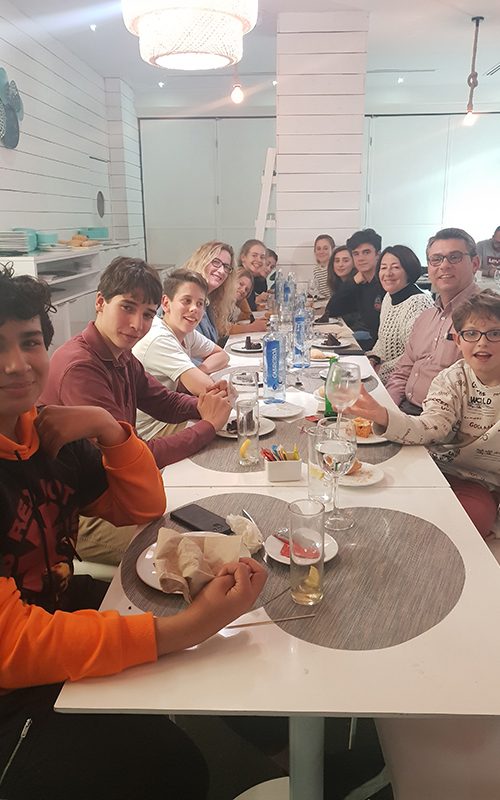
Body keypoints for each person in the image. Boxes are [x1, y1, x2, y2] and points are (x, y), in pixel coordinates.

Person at [0, 265, 268, 800]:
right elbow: (12, 646)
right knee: (176, 769)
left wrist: (108, 429)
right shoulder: (78, 372)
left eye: (29, 342)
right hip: (13, 689)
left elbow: (141, 506)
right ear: (101, 304)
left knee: (191, 635)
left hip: (56, 601)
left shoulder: (43, 435)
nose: (15, 364)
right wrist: (186, 630)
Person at [40, 257, 231, 565]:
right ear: (100, 302)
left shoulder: (121, 354)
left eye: (147, 314)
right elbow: (133, 456)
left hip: (118, 488)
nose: (136, 324)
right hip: (84, 513)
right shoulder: (80, 368)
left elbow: (164, 402)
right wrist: (208, 425)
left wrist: (207, 404)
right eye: (127, 307)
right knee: (184, 554)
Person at [346, 289, 500, 538]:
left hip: (481, 481)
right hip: (437, 465)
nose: (482, 342)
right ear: (458, 340)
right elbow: (432, 426)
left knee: (473, 517)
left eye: (494, 333)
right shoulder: (452, 379)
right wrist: (383, 415)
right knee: (385, 492)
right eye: (471, 333)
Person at [386, 227, 480, 414]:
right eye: (436, 259)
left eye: (454, 257)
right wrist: (387, 409)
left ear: (475, 264)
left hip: (449, 422)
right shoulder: (426, 317)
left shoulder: (489, 317)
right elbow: (402, 372)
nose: (444, 265)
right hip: (405, 411)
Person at [132, 269, 231, 441]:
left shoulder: (185, 330)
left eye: (200, 303)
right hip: (154, 430)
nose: (194, 309)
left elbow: (222, 355)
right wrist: (199, 379)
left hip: (174, 413)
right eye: (186, 301)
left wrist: (199, 370)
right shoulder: (159, 338)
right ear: (166, 303)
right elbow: (209, 390)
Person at [367, 245, 433, 383]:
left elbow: (414, 356)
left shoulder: (419, 303)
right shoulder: (389, 297)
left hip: (405, 381)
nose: (388, 273)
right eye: (383, 268)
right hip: (385, 375)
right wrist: (373, 358)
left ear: (409, 271)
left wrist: (380, 370)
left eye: (395, 267)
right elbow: (382, 341)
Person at [321, 228, 384, 349]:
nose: (361, 258)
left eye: (366, 252)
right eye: (356, 254)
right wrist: (353, 282)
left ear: (378, 255)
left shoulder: (385, 283)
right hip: (372, 347)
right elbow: (331, 310)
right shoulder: (361, 285)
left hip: (377, 348)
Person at [181, 241, 237, 344]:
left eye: (226, 267)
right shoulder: (183, 297)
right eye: (216, 262)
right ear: (202, 261)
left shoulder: (208, 303)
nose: (222, 271)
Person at [317, 245, 361, 328]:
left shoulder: (357, 284)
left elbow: (330, 310)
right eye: (337, 261)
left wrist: (352, 282)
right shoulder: (339, 283)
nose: (340, 265)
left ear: (354, 263)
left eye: (345, 261)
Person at [228, 268, 267, 335]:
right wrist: (253, 327)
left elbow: (247, 315)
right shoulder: (219, 300)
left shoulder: (233, 305)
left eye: (246, 290)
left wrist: (257, 322)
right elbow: (222, 329)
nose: (243, 290)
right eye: (241, 284)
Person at [238, 239, 269, 311]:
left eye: (262, 257)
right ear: (243, 257)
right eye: (254, 255)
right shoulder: (239, 277)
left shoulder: (251, 279)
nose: (259, 260)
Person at [313, 234, 335, 299]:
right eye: (318, 249)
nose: (321, 252)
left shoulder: (336, 268)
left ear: (333, 250)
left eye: (325, 248)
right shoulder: (316, 270)